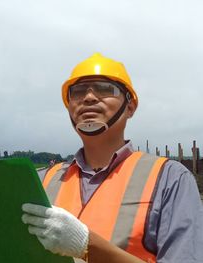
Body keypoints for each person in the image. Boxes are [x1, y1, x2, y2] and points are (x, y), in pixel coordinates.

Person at [21, 53, 203, 262]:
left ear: (130, 107)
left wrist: (87, 246)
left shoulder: (169, 179)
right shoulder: (43, 179)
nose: (89, 97)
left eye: (105, 89)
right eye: (78, 92)